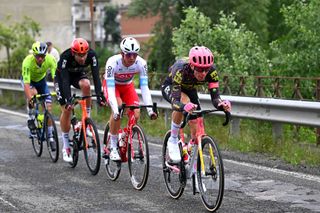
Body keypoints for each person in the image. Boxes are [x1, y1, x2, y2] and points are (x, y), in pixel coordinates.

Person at [161, 46, 231, 163]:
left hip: (190, 89)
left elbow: (215, 98)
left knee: (196, 124)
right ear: (192, 66)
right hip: (172, 87)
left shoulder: (212, 72)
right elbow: (176, 102)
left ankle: (190, 153)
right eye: (199, 69)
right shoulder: (180, 69)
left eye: (206, 69)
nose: (203, 73)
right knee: (184, 101)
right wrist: (184, 107)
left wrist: (221, 104)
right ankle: (173, 140)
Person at [103, 37, 158, 161]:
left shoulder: (141, 63)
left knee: (136, 114)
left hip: (127, 86)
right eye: (129, 55)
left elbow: (144, 87)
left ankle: (123, 136)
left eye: (135, 54)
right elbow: (110, 89)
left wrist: (150, 110)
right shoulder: (113, 62)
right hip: (113, 86)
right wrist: (115, 110)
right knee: (118, 108)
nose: (132, 58)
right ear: (122, 54)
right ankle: (113, 147)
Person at [55, 38, 106, 163]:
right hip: (62, 78)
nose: (83, 58)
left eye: (84, 55)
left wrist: (99, 95)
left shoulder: (92, 55)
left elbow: (95, 76)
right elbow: (66, 81)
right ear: (74, 53)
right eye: (79, 55)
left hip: (78, 75)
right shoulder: (65, 57)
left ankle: (86, 120)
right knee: (67, 111)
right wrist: (68, 101)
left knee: (87, 84)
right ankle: (66, 146)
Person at [21, 41, 57, 150]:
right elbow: (26, 84)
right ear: (34, 55)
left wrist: (59, 91)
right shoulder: (27, 62)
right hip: (29, 81)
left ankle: (50, 136)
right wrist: (30, 100)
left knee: (49, 107)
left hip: (41, 81)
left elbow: (56, 79)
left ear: (45, 55)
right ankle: (31, 117)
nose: (40, 59)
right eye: (37, 56)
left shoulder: (51, 59)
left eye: (42, 56)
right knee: (33, 94)